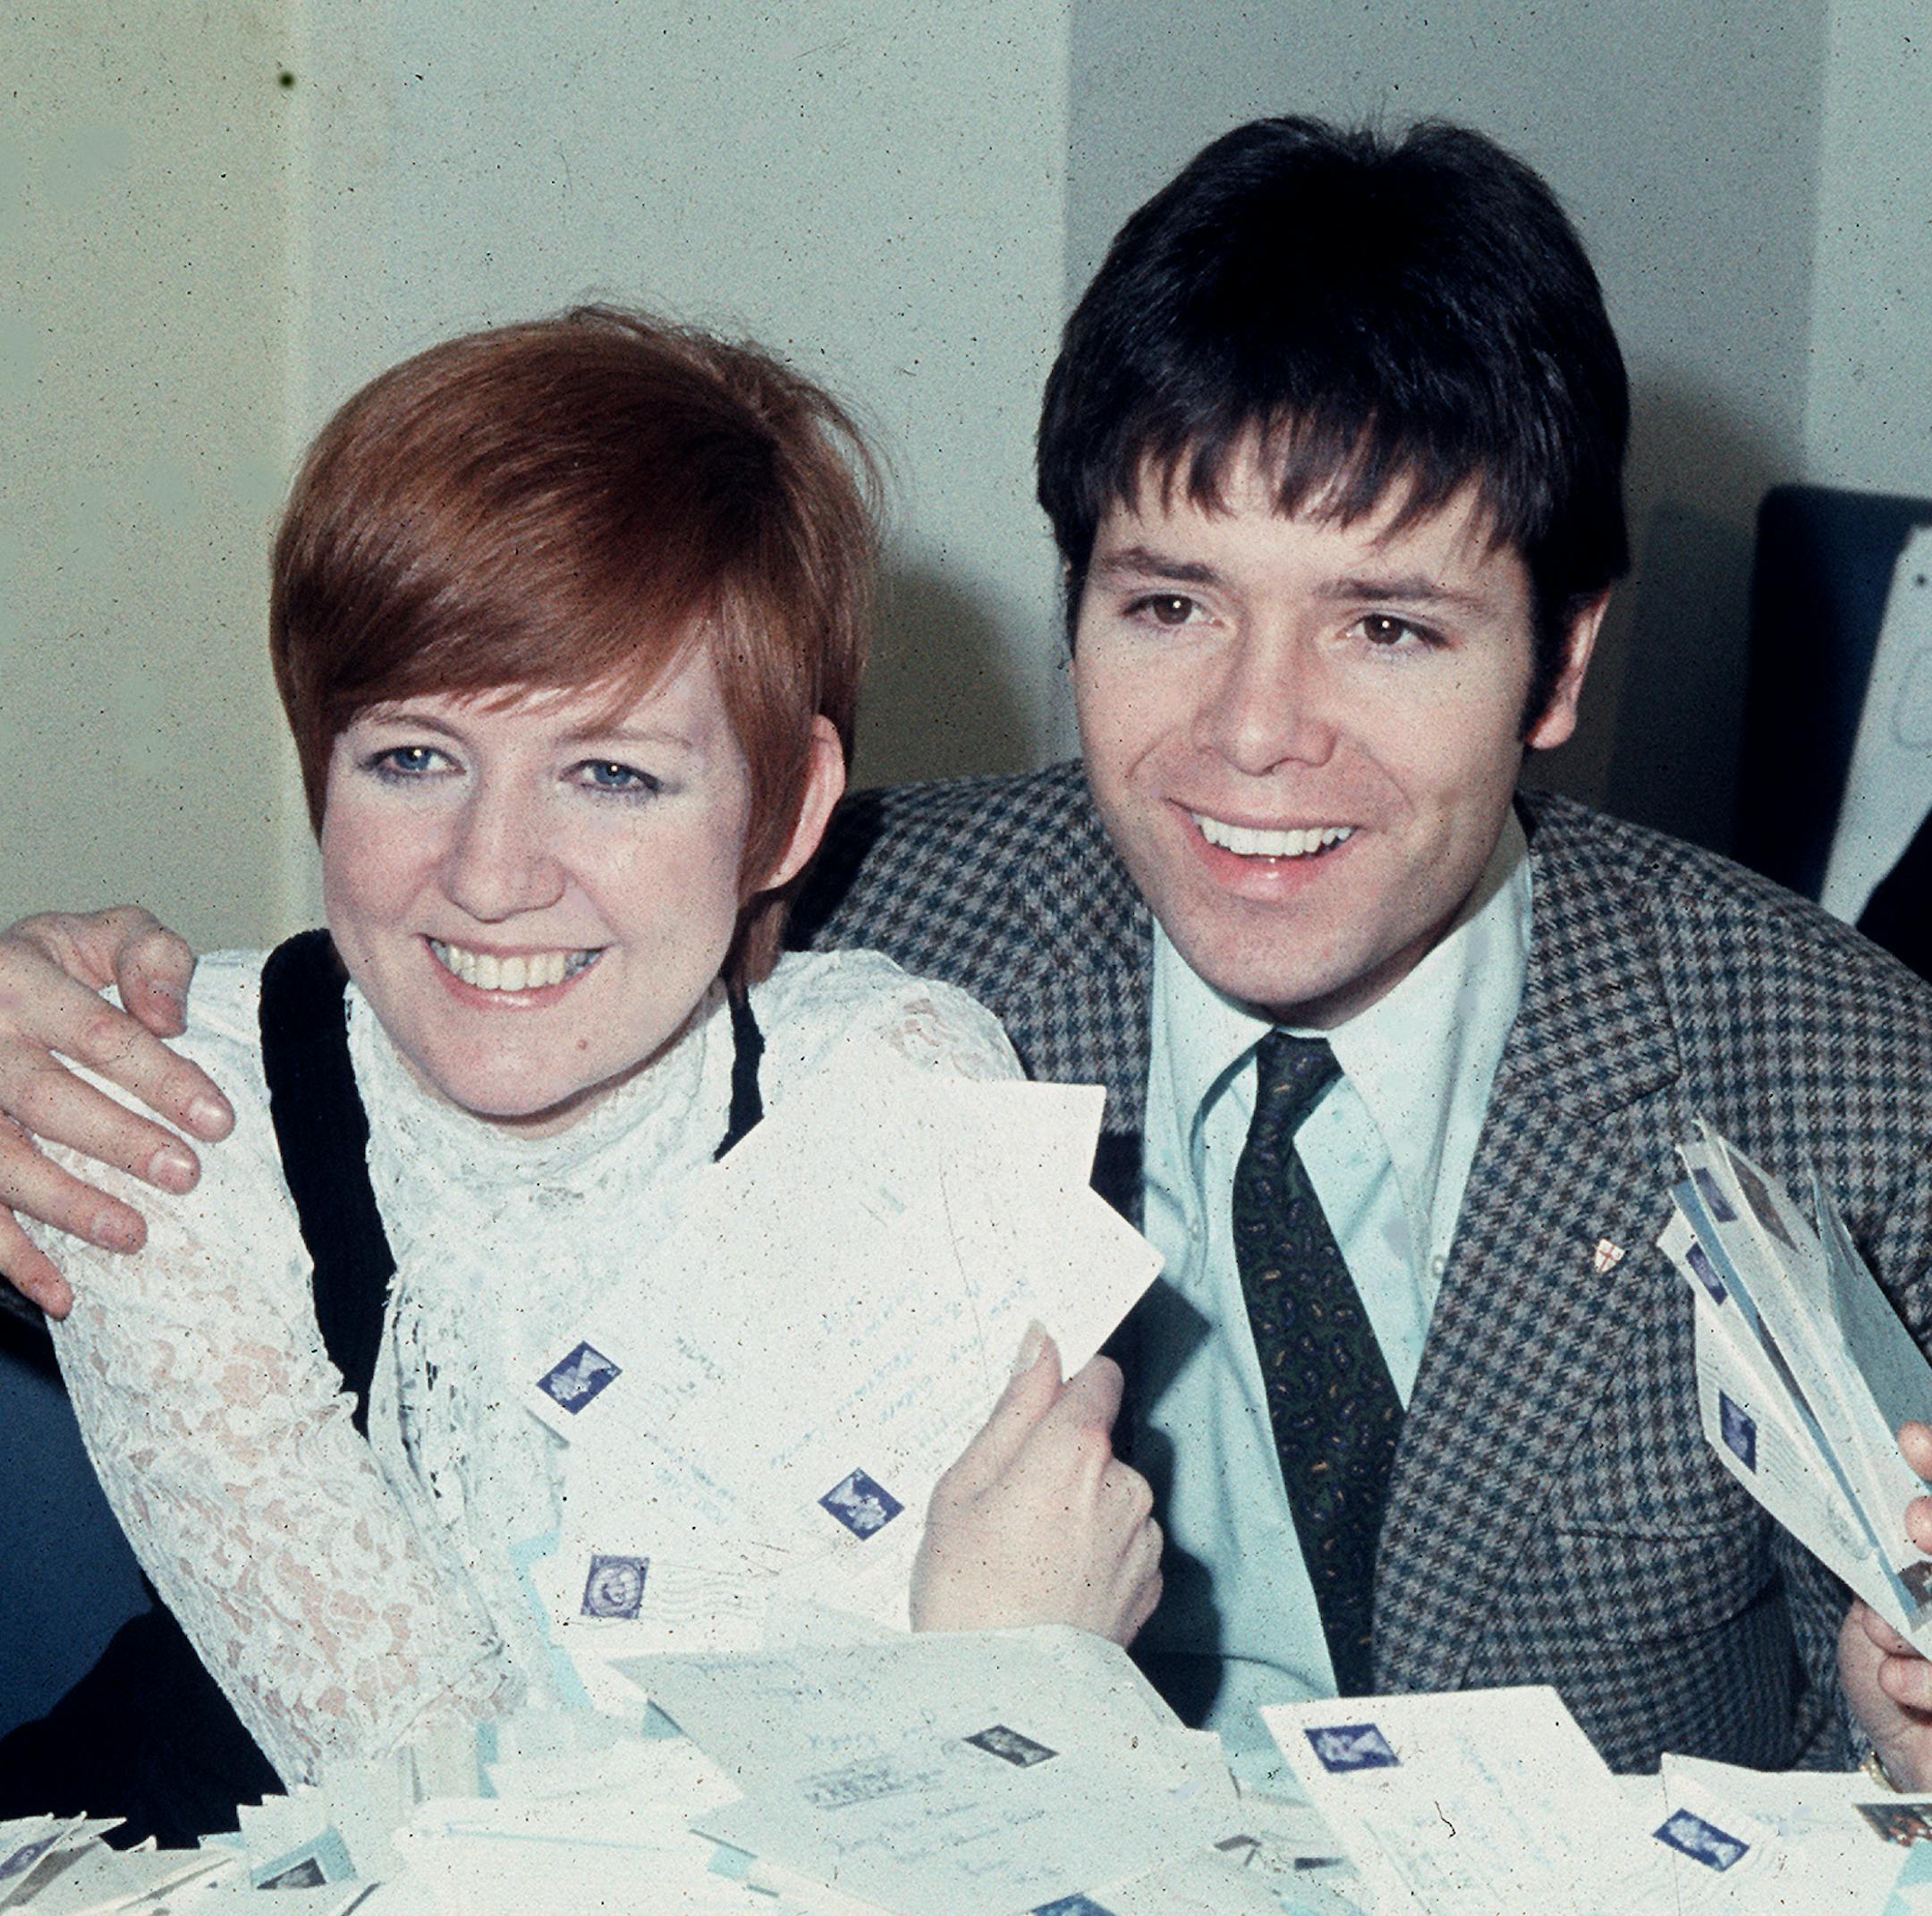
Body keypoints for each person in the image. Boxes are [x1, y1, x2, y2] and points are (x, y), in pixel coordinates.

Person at [6, 118, 1932, 1786]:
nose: (1255, 734)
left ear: (1562, 665)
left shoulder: (1844, 1077)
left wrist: (1907, 1736)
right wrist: (59, 1017)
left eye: (1390, 629)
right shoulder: (845, 929)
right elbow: (433, 1009)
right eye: (1171, 602)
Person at [0, 307, 1160, 1833]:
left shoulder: (897, 1084)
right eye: (411, 756)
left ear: (789, 812)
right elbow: (458, 1817)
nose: (491, 875)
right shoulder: (164, 1108)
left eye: (612, 773)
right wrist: (999, 1667)